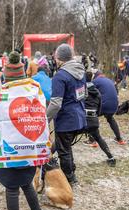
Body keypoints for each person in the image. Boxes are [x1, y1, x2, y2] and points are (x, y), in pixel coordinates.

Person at [0, 51, 46, 210]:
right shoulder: (34, 92)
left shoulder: (1, 96)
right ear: (23, 74)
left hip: (9, 150)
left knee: (11, 189)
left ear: (6, 76)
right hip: (29, 149)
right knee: (26, 183)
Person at [46, 43, 87, 185]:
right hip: (80, 117)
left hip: (66, 120)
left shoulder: (60, 76)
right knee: (66, 148)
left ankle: (69, 179)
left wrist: (45, 119)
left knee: (64, 152)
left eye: (56, 57)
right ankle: (72, 175)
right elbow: (83, 94)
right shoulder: (81, 71)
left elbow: (56, 103)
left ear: (59, 59)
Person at [85, 71, 116, 165]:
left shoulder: (80, 90)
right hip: (93, 118)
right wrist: (96, 115)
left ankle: (49, 157)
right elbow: (99, 107)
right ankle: (111, 157)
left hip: (81, 119)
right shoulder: (97, 91)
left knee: (64, 138)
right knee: (98, 138)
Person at [92, 70, 126, 145]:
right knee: (110, 119)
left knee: (92, 117)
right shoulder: (109, 80)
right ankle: (119, 139)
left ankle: (92, 140)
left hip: (104, 104)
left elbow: (89, 92)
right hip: (114, 105)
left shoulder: (95, 81)